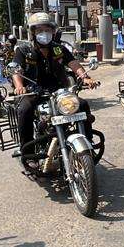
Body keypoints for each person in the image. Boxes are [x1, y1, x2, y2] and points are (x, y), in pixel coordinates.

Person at [11, 13, 99, 153]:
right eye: (39, 30)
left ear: (53, 31)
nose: (44, 33)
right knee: (25, 109)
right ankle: (27, 152)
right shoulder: (23, 50)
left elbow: (74, 63)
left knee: (82, 104)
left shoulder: (59, 49)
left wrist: (85, 77)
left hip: (57, 90)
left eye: (47, 30)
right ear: (33, 32)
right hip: (32, 91)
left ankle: (87, 142)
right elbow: (16, 70)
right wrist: (19, 86)